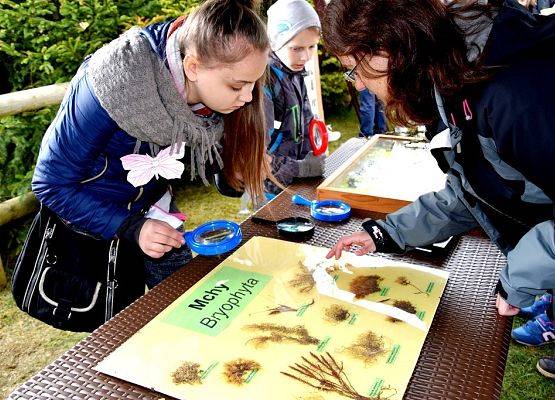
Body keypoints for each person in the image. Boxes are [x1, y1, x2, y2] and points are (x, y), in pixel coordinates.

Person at [322, 0, 555, 353]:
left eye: (352, 69)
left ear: (385, 51)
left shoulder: (514, 95)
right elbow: (473, 191)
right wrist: (387, 233)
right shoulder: (452, 79)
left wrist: (518, 279)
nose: (357, 86)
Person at [32, 0, 271, 290]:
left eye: (253, 84)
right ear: (192, 67)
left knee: (183, 302)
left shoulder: (210, 70)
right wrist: (131, 226)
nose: (247, 97)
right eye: (237, 86)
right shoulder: (114, 80)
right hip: (93, 224)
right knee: (119, 324)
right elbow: (50, 183)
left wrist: (236, 168)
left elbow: (206, 151)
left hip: (156, 209)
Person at [263, 0, 326, 194]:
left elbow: (304, 120)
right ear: (275, 42)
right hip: (272, 187)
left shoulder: (295, 73)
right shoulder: (264, 83)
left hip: (296, 180)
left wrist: (313, 152)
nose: (305, 57)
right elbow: (258, 156)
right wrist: (302, 168)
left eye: (311, 47)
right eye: (296, 48)